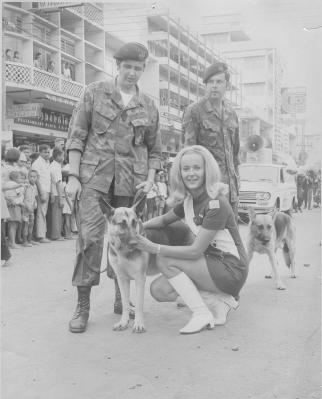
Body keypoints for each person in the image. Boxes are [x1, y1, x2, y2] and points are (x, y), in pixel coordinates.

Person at [65, 42, 162, 333]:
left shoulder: (148, 105)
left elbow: (155, 149)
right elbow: (76, 136)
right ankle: (83, 306)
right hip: (95, 180)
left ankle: (123, 299)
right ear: (117, 67)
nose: (132, 73)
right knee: (91, 241)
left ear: (142, 70)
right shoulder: (94, 92)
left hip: (131, 183)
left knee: (129, 240)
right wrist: (72, 176)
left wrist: (152, 176)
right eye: (127, 67)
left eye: (137, 68)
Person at [134, 145, 248, 334]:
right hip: (210, 265)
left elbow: (195, 251)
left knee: (164, 258)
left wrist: (154, 247)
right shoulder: (188, 201)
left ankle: (201, 313)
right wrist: (137, 227)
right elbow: (163, 220)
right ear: (179, 173)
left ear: (207, 171)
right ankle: (219, 302)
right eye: (186, 169)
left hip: (231, 268)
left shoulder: (215, 202)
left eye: (197, 168)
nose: (191, 173)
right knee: (160, 290)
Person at [182, 62, 241, 221]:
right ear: (205, 85)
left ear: (226, 85)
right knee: (207, 240)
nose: (214, 86)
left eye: (219, 82)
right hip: (207, 191)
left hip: (231, 191)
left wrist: (237, 184)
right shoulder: (194, 111)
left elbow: (235, 155)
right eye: (210, 82)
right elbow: (188, 155)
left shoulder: (232, 113)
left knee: (229, 239)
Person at [32, 144, 51, 243]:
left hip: (47, 190)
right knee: (41, 213)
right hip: (41, 191)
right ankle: (40, 236)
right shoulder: (37, 163)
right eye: (45, 152)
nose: (47, 154)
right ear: (40, 152)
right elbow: (37, 180)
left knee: (44, 213)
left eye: (48, 152)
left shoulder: (47, 162)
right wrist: (42, 192)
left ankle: (41, 234)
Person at [4, 171, 25, 249]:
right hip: (14, 206)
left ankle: (11, 241)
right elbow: (18, 196)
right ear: (15, 178)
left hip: (11, 206)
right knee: (13, 225)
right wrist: (21, 203)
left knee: (12, 225)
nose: (20, 179)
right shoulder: (15, 185)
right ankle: (12, 242)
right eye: (19, 178)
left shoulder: (8, 184)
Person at [49, 147, 65, 240]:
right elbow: (58, 183)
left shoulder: (54, 165)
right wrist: (61, 197)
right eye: (62, 155)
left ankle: (55, 234)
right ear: (58, 156)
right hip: (56, 193)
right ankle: (56, 235)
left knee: (55, 215)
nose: (63, 157)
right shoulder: (56, 167)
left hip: (54, 192)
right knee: (56, 215)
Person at [21, 170, 39, 247]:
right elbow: (22, 197)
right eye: (31, 176)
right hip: (26, 208)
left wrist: (35, 203)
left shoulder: (35, 186)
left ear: (37, 178)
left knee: (31, 224)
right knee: (26, 224)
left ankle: (29, 239)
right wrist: (26, 205)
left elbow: (35, 197)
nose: (32, 178)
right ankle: (25, 241)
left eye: (34, 177)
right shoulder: (25, 186)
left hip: (32, 209)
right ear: (28, 177)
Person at [61, 170, 73, 240]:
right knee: (68, 220)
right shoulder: (67, 185)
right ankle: (68, 234)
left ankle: (65, 233)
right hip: (67, 204)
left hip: (65, 203)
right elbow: (68, 196)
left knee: (65, 220)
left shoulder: (63, 184)